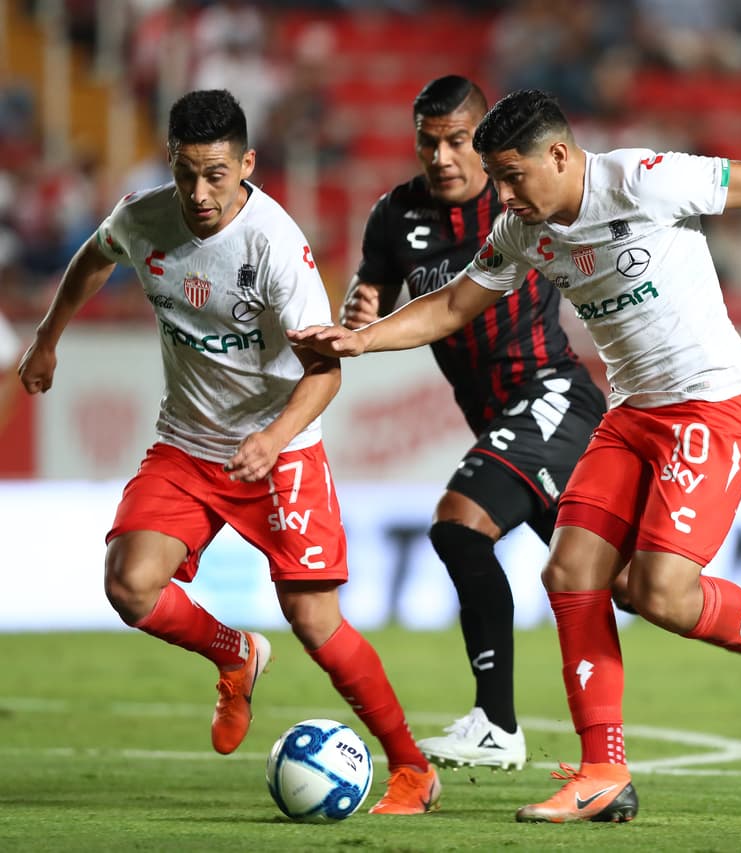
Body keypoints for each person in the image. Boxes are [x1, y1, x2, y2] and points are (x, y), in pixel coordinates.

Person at [289, 87, 741, 824]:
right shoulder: (522, 227)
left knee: (658, 592)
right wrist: (363, 338)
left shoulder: (642, 178)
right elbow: (455, 304)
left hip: (710, 408)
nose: (503, 193)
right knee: (570, 571)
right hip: (630, 417)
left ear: (559, 156)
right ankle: (603, 771)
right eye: (496, 178)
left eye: (512, 175)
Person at [17, 89, 441, 816]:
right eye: (186, 173)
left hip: (281, 450)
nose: (200, 192)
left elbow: (326, 370)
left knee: (314, 622)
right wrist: (48, 336)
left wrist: (272, 438)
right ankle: (234, 653)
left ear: (246, 163)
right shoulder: (143, 217)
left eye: (216, 173)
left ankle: (411, 767)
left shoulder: (275, 248)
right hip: (186, 444)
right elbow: (95, 255)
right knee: (129, 585)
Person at [342, 75, 607, 772]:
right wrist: (361, 311)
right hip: (497, 419)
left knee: (459, 525)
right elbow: (374, 292)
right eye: (428, 142)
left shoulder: (519, 197)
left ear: (482, 138)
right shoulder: (395, 217)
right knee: (638, 585)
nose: (442, 156)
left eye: (457, 140)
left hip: (552, 395)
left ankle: (496, 722)